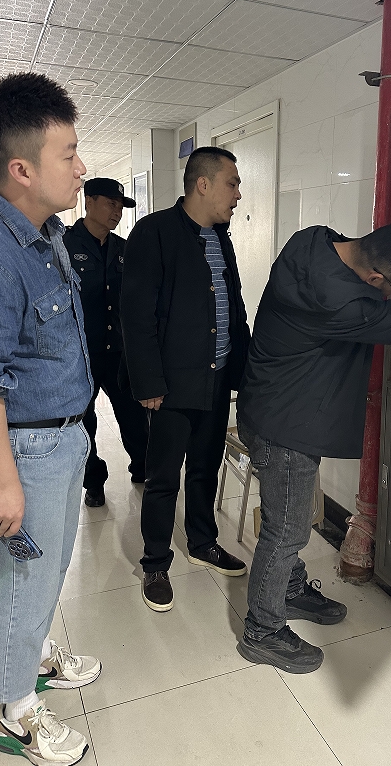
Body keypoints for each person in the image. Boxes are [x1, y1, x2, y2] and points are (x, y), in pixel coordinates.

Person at [0, 73, 101, 765]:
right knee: (20, 577)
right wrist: (3, 481)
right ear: (22, 169)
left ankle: (31, 655)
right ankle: (15, 712)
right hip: (23, 451)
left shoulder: (45, 232)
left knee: (50, 565)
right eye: (69, 153)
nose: (82, 167)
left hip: (61, 437)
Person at [235, 223, 391, 674]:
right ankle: (262, 631)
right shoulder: (338, 302)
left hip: (279, 409)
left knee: (291, 518)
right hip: (285, 427)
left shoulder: (312, 241)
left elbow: (386, 272)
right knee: (286, 531)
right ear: (375, 278)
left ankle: (288, 590)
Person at [121, 146, 250, 612]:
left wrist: (244, 371)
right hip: (172, 385)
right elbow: (136, 315)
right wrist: (149, 383)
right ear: (203, 184)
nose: (237, 194)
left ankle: (202, 542)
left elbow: (233, 307)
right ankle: (155, 562)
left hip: (215, 379)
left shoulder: (220, 237)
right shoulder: (153, 233)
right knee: (162, 478)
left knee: (204, 467)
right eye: (232, 183)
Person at [64, 177, 149, 507]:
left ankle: (143, 468)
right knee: (84, 425)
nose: (117, 211)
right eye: (111, 204)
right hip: (80, 356)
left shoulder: (123, 249)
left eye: (120, 206)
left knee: (135, 418)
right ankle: (94, 482)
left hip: (119, 354)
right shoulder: (64, 245)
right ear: (89, 201)